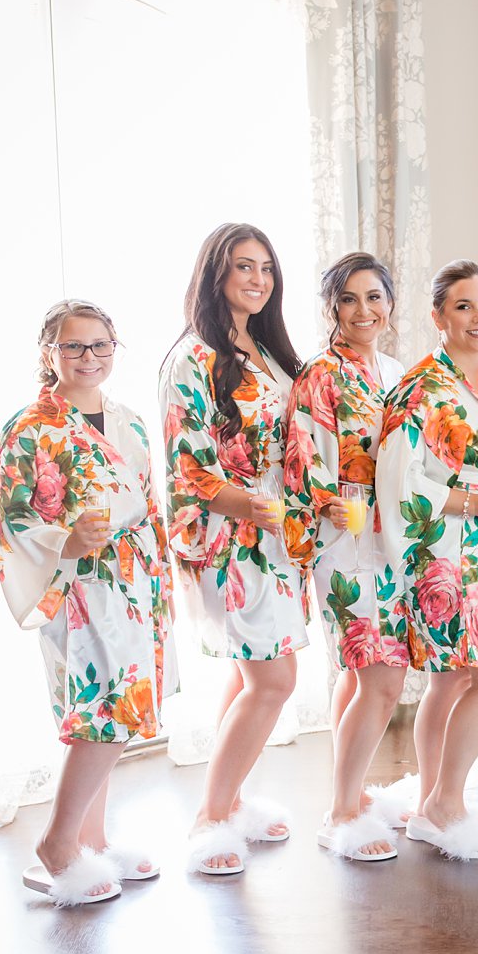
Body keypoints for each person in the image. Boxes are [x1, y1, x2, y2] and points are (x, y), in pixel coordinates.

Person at [0, 301, 176, 905]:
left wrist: (158, 577)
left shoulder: (127, 421)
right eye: (73, 347)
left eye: (100, 345)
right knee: (106, 710)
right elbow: (14, 514)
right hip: (77, 586)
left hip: (134, 579)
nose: (88, 358)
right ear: (49, 353)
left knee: (116, 712)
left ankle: (91, 842)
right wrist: (66, 539)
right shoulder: (30, 427)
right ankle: (56, 845)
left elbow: (149, 503)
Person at [158, 222, 306, 875]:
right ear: (214, 275)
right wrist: (256, 506)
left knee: (251, 672)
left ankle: (232, 800)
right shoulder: (192, 357)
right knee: (275, 679)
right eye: (243, 266)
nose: (257, 279)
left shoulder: (269, 351)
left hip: (277, 533)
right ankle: (210, 817)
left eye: (267, 268)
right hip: (230, 534)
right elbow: (187, 468)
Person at [374, 259, 478, 860]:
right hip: (452, 554)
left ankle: (429, 804)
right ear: (438, 316)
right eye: (464, 306)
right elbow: (398, 480)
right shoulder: (422, 388)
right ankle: (445, 803)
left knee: (451, 681)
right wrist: (472, 500)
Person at [284, 252, 409, 862]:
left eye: (375, 297)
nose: (364, 311)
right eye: (350, 299)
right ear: (332, 306)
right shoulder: (319, 375)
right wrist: (328, 500)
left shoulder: (394, 369)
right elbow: (302, 456)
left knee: (360, 675)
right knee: (384, 680)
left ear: (391, 303)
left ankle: (352, 794)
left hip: (395, 544)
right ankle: (340, 813)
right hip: (345, 542)